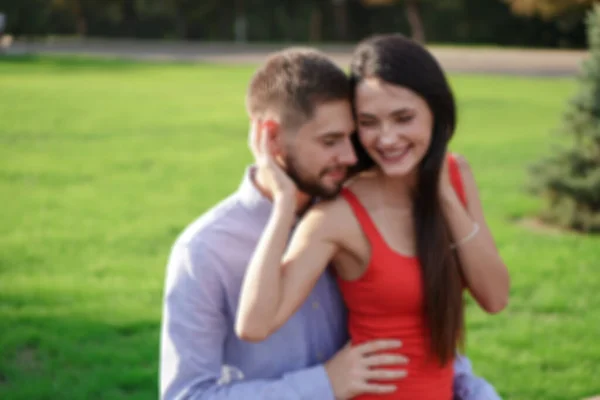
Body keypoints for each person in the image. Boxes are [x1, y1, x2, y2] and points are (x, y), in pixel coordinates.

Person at [160, 46, 502, 400]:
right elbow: (187, 396)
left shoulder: (368, 204)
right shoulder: (204, 250)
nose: (353, 156)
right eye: (330, 141)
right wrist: (323, 384)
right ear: (271, 138)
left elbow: (417, 334)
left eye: (351, 136)